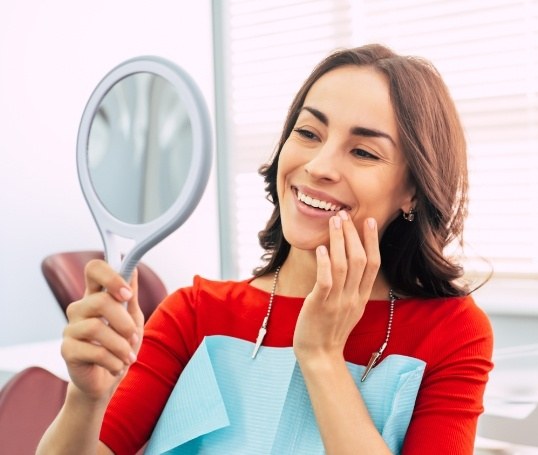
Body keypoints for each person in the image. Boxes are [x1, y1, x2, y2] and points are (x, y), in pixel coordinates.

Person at [37, 43, 493, 455]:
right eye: (309, 133)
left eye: (363, 152)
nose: (318, 167)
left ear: (412, 190)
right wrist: (86, 397)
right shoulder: (194, 314)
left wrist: (321, 357)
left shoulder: (452, 334)